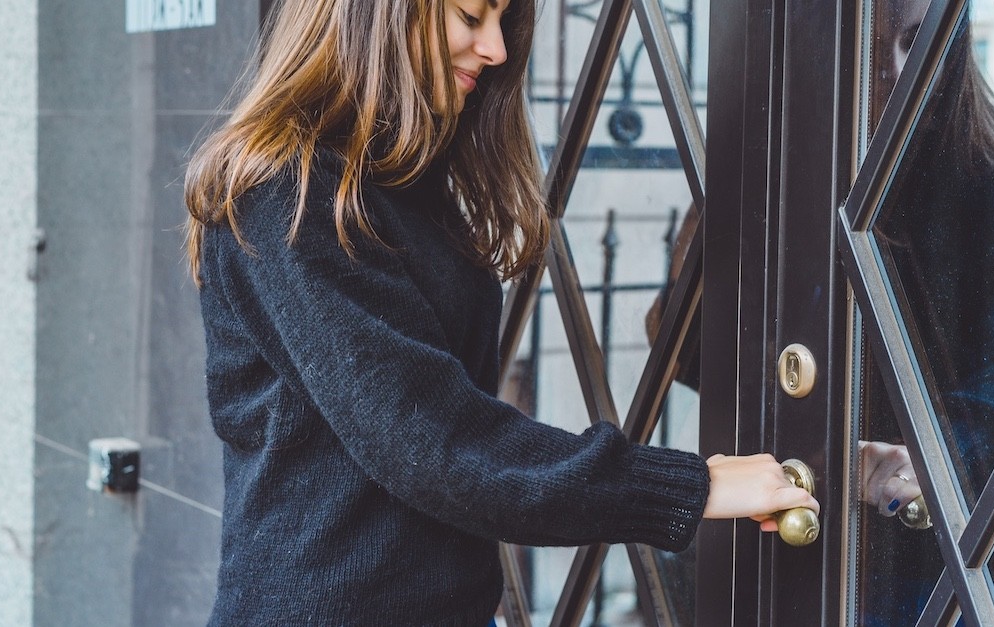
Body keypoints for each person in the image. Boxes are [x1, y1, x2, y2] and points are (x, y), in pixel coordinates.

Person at [182, 0, 820, 624]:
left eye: (501, 21)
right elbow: (434, 440)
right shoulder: (286, 196)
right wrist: (689, 486)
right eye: (470, 16)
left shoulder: (400, 184)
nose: (497, 49)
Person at [859, 1, 994, 625]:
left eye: (912, 42)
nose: (888, 72)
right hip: (801, 536)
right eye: (870, 47)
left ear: (949, 45)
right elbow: (690, 350)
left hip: (965, 553)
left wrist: (909, 465)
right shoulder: (793, 176)